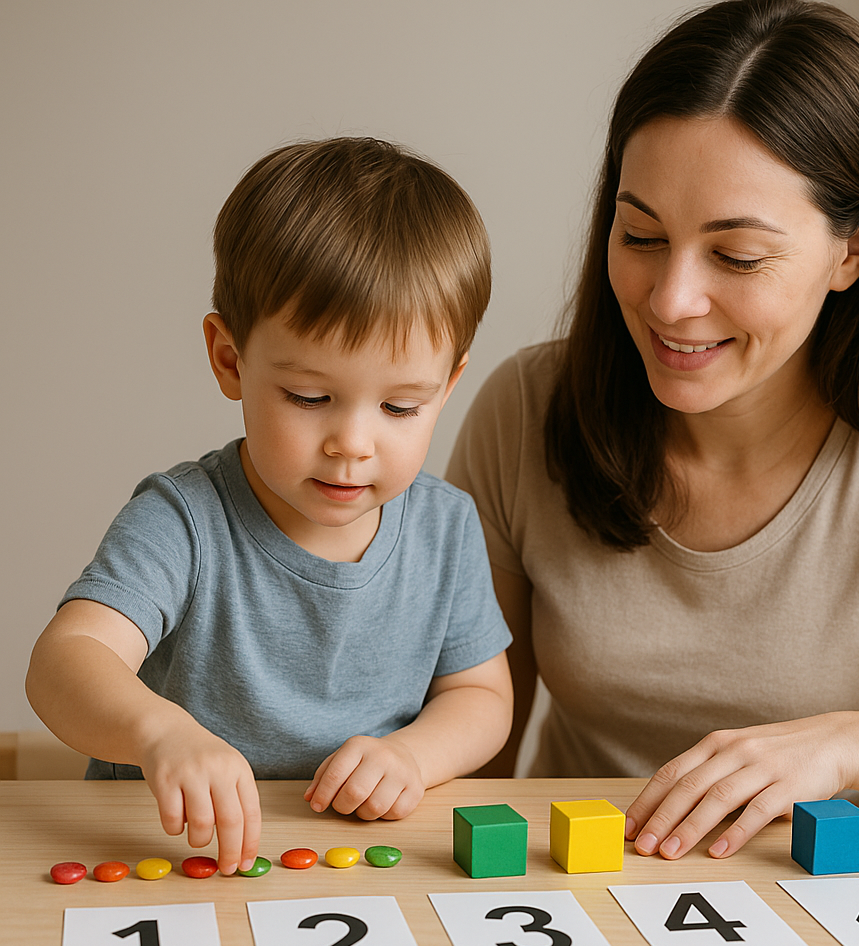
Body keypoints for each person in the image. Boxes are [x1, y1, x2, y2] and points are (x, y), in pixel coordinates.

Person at [447, 0, 859, 863]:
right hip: (573, 897)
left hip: (826, 909)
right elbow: (472, 751)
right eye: (641, 234)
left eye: (737, 256)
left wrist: (844, 746)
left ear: (854, 251)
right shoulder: (525, 407)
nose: (670, 300)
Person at [25, 137, 513, 875]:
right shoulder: (183, 519)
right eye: (310, 398)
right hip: (170, 853)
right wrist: (159, 732)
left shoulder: (446, 528)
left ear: (447, 386)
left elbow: (482, 697)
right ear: (229, 359)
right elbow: (64, 663)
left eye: (401, 406)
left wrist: (414, 754)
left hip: (348, 863)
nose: (352, 443)